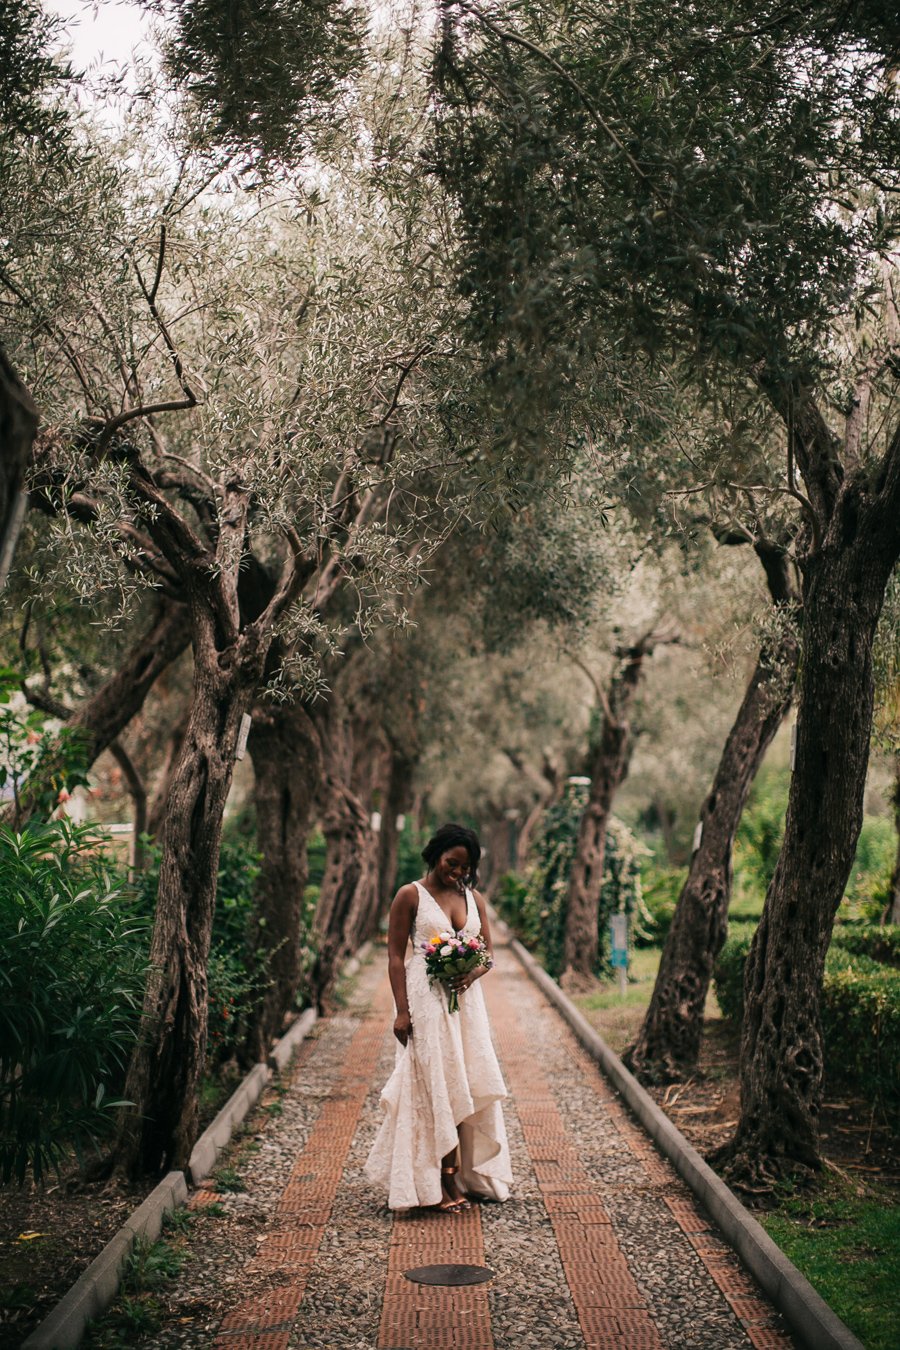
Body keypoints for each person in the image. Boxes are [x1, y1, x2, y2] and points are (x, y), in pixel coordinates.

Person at [365, 823, 513, 1212]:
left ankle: (461, 1175)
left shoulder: (473, 898)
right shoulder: (409, 895)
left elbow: (487, 954)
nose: (459, 873)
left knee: (465, 1080)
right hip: (426, 999)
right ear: (436, 854)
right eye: (453, 863)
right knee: (437, 1083)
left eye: (466, 867)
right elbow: (396, 956)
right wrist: (401, 1011)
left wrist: (473, 971)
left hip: (466, 1003)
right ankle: (440, 1182)